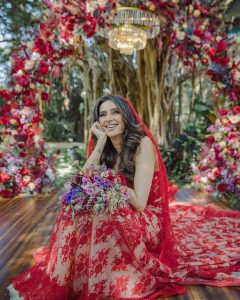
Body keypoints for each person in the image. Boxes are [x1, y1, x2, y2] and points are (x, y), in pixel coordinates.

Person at [8, 95, 240, 299]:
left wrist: (111, 182)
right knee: (77, 204)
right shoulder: (106, 147)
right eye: (103, 114)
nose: (108, 118)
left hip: (148, 217)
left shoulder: (143, 144)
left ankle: (100, 280)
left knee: (103, 211)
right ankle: (70, 278)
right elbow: (78, 183)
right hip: (121, 210)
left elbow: (139, 202)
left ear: (125, 115)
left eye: (115, 112)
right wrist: (99, 143)